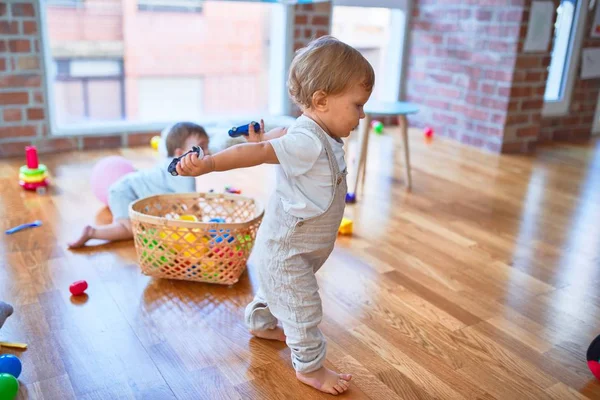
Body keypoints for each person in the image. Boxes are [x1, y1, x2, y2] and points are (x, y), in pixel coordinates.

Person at [175, 35, 374, 395]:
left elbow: (276, 136)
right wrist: (210, 164)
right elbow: (263, 151)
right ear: (321, 101)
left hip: (296, 246)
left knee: (277, 289)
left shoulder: (312, 130)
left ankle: (262, 322)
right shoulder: (308, 140)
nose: (362, 115)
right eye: (357, 105)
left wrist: (260, 136)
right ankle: (311, 368)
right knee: (302, 308)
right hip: (289, 248)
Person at [68, 122, 209, 248]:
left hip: (128, 189)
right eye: (201, 148)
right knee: (130, 230)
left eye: (207, 147)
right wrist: (203, 232)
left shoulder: (172, 164)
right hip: (127, 193)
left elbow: (181, 204)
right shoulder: (182, 170)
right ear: (180, 153)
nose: (207, 152)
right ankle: (92, 232)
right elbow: (191, 205)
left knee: (142, 227)